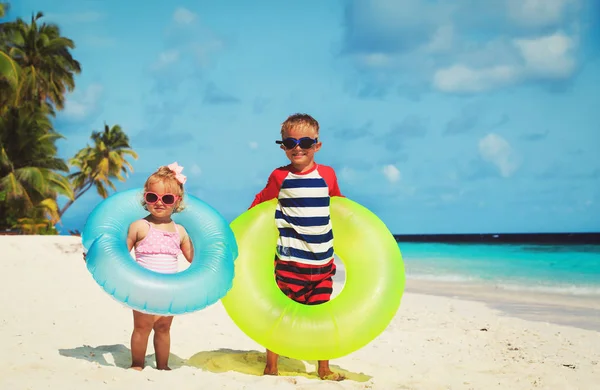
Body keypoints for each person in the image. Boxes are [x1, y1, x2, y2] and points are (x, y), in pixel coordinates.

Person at [249, 113, 345, 381]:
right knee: (280, 317)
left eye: (305, 141)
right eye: (290, 142)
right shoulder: (280, 176)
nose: (298, 147)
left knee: (321, 318)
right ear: (283, 146)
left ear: (318, 144)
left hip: (323, 263)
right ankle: (271, 366)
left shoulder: (327, 174)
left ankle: (323, 369)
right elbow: (261, 202)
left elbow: (339, 206)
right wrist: (244, 232)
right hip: (290, 262)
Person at [84, 162, 194, 371]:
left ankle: (163, 365)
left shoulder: (180, 231)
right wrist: (95, 256)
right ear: (146, 198)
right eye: (152, 197)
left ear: (177, 202)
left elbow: (192, 259)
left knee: (163, 328)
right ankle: (137, 364)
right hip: (142, 288)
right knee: (142, 327)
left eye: (167, 199)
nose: (159, 203)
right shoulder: (140, 226)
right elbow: (119, 255)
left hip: (169, 290)